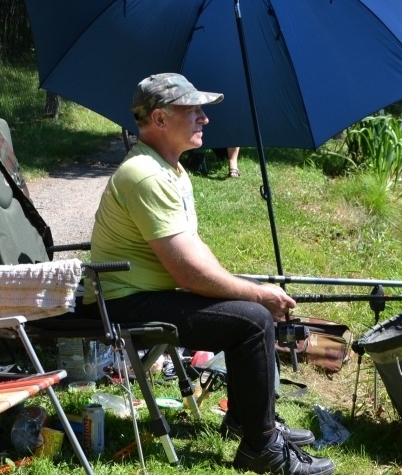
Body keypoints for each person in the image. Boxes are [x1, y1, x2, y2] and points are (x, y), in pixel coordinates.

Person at [83, 73, 335, 475]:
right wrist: (255, 295)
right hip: (122, 302)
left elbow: (194, 249)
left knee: (246, 308)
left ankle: (246, 420)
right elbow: (187, 271)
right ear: (160, 119)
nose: (204, 118)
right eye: (193, 110)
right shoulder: (146, 175)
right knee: (251, 320)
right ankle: (261, 448)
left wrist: (244, 288)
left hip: (145, 292)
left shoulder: (171, 170)